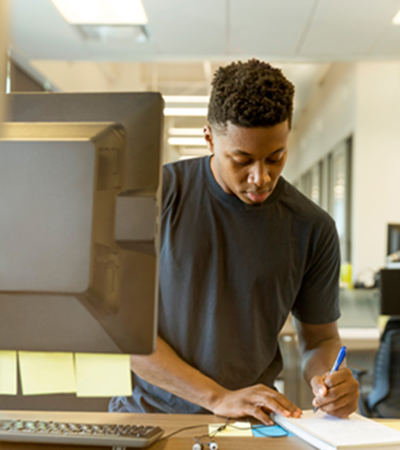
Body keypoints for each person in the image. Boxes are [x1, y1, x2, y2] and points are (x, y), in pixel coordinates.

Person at [110, 59, 359, 423]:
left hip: (249, 422)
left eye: (276, 158)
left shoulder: (312, 227)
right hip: (148, 417)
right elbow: (120, 329)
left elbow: (320, 341)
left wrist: (329, 382)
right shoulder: (154, 197)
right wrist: (215, 396)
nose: (261, 177)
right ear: (209, 137)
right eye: (242, 160)